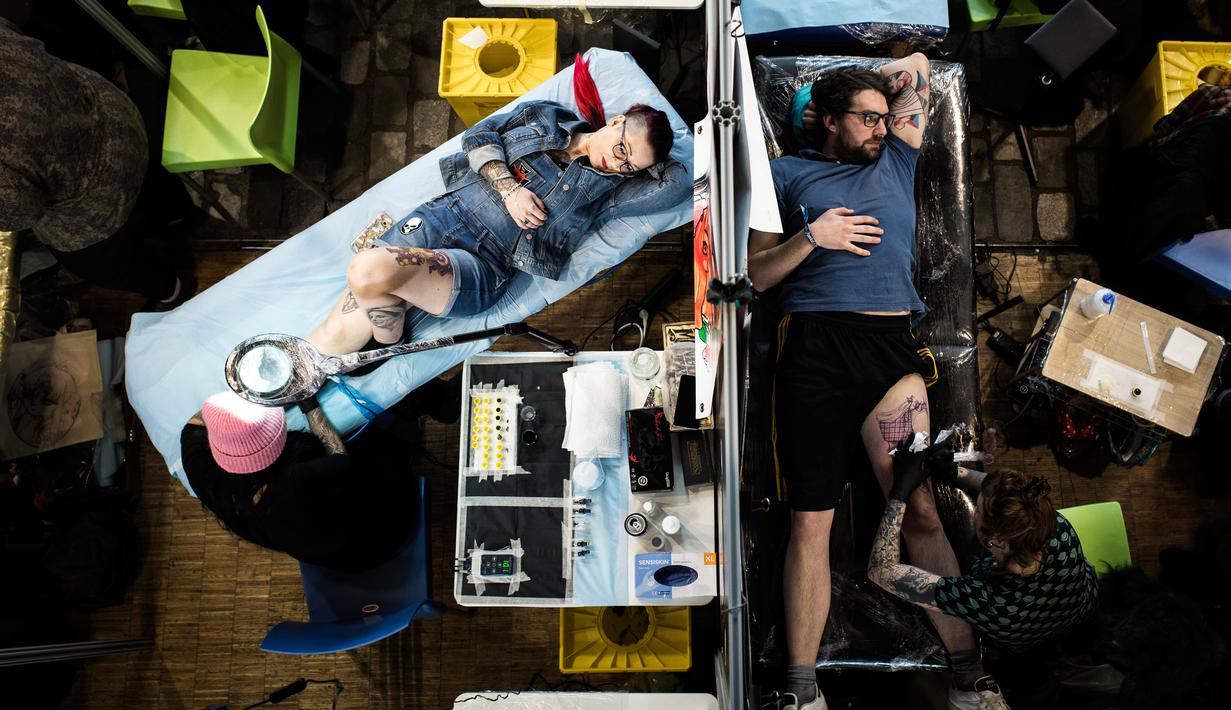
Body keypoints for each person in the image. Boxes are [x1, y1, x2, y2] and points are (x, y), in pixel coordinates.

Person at [747, 55, 1004, 710]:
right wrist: (814, 236)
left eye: (886, 117)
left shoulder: (896, 156)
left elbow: (916, 66)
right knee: (810, 521)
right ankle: (801, 689)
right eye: (866, 119)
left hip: (889, 350)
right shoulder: (786, 175)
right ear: (829, 122)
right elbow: (755, 275)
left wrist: (875, 90)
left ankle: (968, 673)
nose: (882, 128)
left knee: (920, 507)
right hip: (813, 349)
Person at [306, 95, 687, 356]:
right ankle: (290, 386)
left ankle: (388, 340)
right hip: (440, 216)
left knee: (367, 272)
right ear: (616, 121)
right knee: (325, 339)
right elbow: (478, 135)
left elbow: (678, 184)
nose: (616, 164)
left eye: (629, 166)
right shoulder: (547, 115)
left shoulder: (606, 192)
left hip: (484, 262)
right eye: (621, 149)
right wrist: (509, 190)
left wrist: (650, 155)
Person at [870, 442, 1099, 708]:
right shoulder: (1056, 528)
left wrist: (899, 494)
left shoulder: (987, 599)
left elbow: (881, 570)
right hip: (1079, 611)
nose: (976, 510)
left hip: (1025, 642)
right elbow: (1002, 496)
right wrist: (954, 473)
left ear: (995, 541)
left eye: (978, 510)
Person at [0, 15, 195, 308]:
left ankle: (173, 288)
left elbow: (21, 213)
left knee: (92, 260)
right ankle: (181, 218)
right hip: (110, 108)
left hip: (97, 188)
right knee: (150, 179)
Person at [180, 377, 458, 571]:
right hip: (377, 535)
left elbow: (195, 423)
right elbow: (339, 458)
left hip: (329, 549)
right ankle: (446, 402)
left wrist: (241, 409)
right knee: (379, 403)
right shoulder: (293, 485)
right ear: (276, 442)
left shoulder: (203, 471)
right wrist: (308, 402)